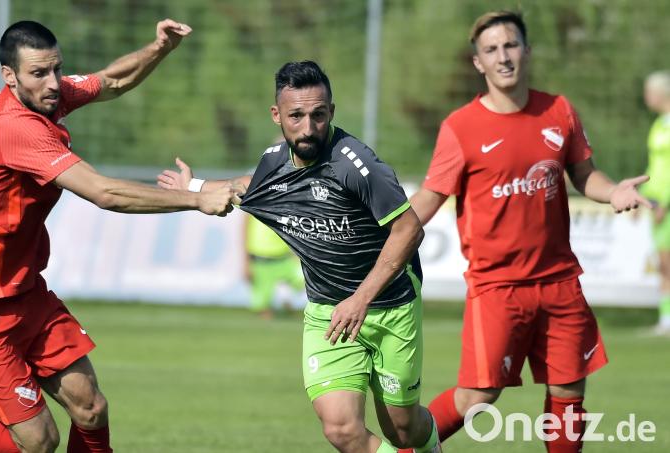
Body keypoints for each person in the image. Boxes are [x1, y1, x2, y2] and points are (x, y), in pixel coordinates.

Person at [0, 19, 238, 453]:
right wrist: (194, 199)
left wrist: (159, 48)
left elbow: (112, 81)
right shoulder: (17, 127)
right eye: (39, 73)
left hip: (25, 291)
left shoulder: (43, 96)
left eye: (57, 69)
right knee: (37, 442)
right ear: (9, 77)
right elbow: (103, 192)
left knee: (90, 407)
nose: (54, 83)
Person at [400, 11, 651, 453]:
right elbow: (430, 196)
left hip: (559, 281)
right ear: (478, 63)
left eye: (511, 45)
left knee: (569, 389)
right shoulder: (461, 128)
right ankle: (407, 450)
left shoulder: (559, 111)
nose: (503, 57)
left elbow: (585, 174)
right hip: (497, 287)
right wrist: (387, 233)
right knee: (479, 396)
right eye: (491, 50)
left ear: (527, 51)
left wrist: (612, 192)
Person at [158, 61, 441, 452]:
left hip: (391, 306)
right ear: (277, 115)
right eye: (296, 116)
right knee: (342, 429)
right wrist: (196, 186)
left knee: (402, 431)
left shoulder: (358, 165)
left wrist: (361, 299)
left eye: (318, 115)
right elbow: (247, 187)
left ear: (331, 112)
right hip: (328, 311)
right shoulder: (274, 161)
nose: (308, 128)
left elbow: (410, 229)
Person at [642, 70, 670, 335]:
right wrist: (644, 194)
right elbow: (656, 167)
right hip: (657, 203)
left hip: (667, 205)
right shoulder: (659, 125)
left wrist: (665, 200)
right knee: (664, 264)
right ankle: (666, 320)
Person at [243, 211, 305, 319]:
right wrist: (246, 262)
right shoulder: (251, 205)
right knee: (263, 308)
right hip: (261, 259)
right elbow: (244, 231)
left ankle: (285, 294)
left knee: (304, 280)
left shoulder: (283, 204)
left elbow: (293, 230)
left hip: (284, 257)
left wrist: (295, 253)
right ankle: (282, 297)